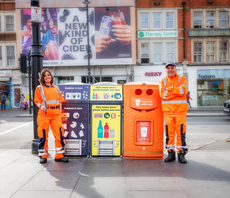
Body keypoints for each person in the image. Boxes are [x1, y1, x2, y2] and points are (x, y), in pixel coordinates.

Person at [34, 69, 68, 164]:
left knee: (59, 134)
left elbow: (60, 100)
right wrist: (41, 106)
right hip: (44, 114)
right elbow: (37, 101)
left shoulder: (56, 88)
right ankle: (43, 156)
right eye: (45, 76)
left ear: (51, 76)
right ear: (42, 78)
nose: (47, 77)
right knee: (43, 135)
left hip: (56, 114)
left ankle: (59, 155)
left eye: (48, 75)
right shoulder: (39, 88)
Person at [160, 62, 188, 164]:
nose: (170, 70)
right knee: (169, 134)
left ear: (175, 69)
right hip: (168, 112)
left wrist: (170, 90)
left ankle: (181, 154)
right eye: (168, 68)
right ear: (166, 70)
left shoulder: (181, 78)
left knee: (181, 134)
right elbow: (163, 95)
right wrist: (176, 92)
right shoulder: (163, 80)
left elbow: (183, 90)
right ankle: (171, 154)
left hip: (180, 111)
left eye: (172, 68)